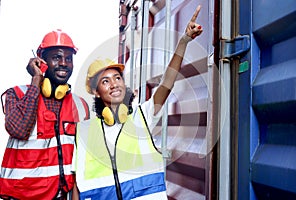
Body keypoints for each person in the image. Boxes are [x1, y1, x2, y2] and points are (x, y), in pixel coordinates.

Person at [73, 5, 203, 200]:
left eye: (117, 78)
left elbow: (167, 82)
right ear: (95, 92)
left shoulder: (143, 116)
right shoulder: (84, 132)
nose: (114, 84)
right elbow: (78, 183)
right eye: (105, 81)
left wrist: (183, 41)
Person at [0, 29, 90, 200]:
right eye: (56, 57)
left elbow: (82, 160)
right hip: (21, 196)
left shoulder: (81, 106)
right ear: (42, 61)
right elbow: (19, 129)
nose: (64, 63)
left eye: (69, 58)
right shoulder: (17, 94)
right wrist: (36, 79)